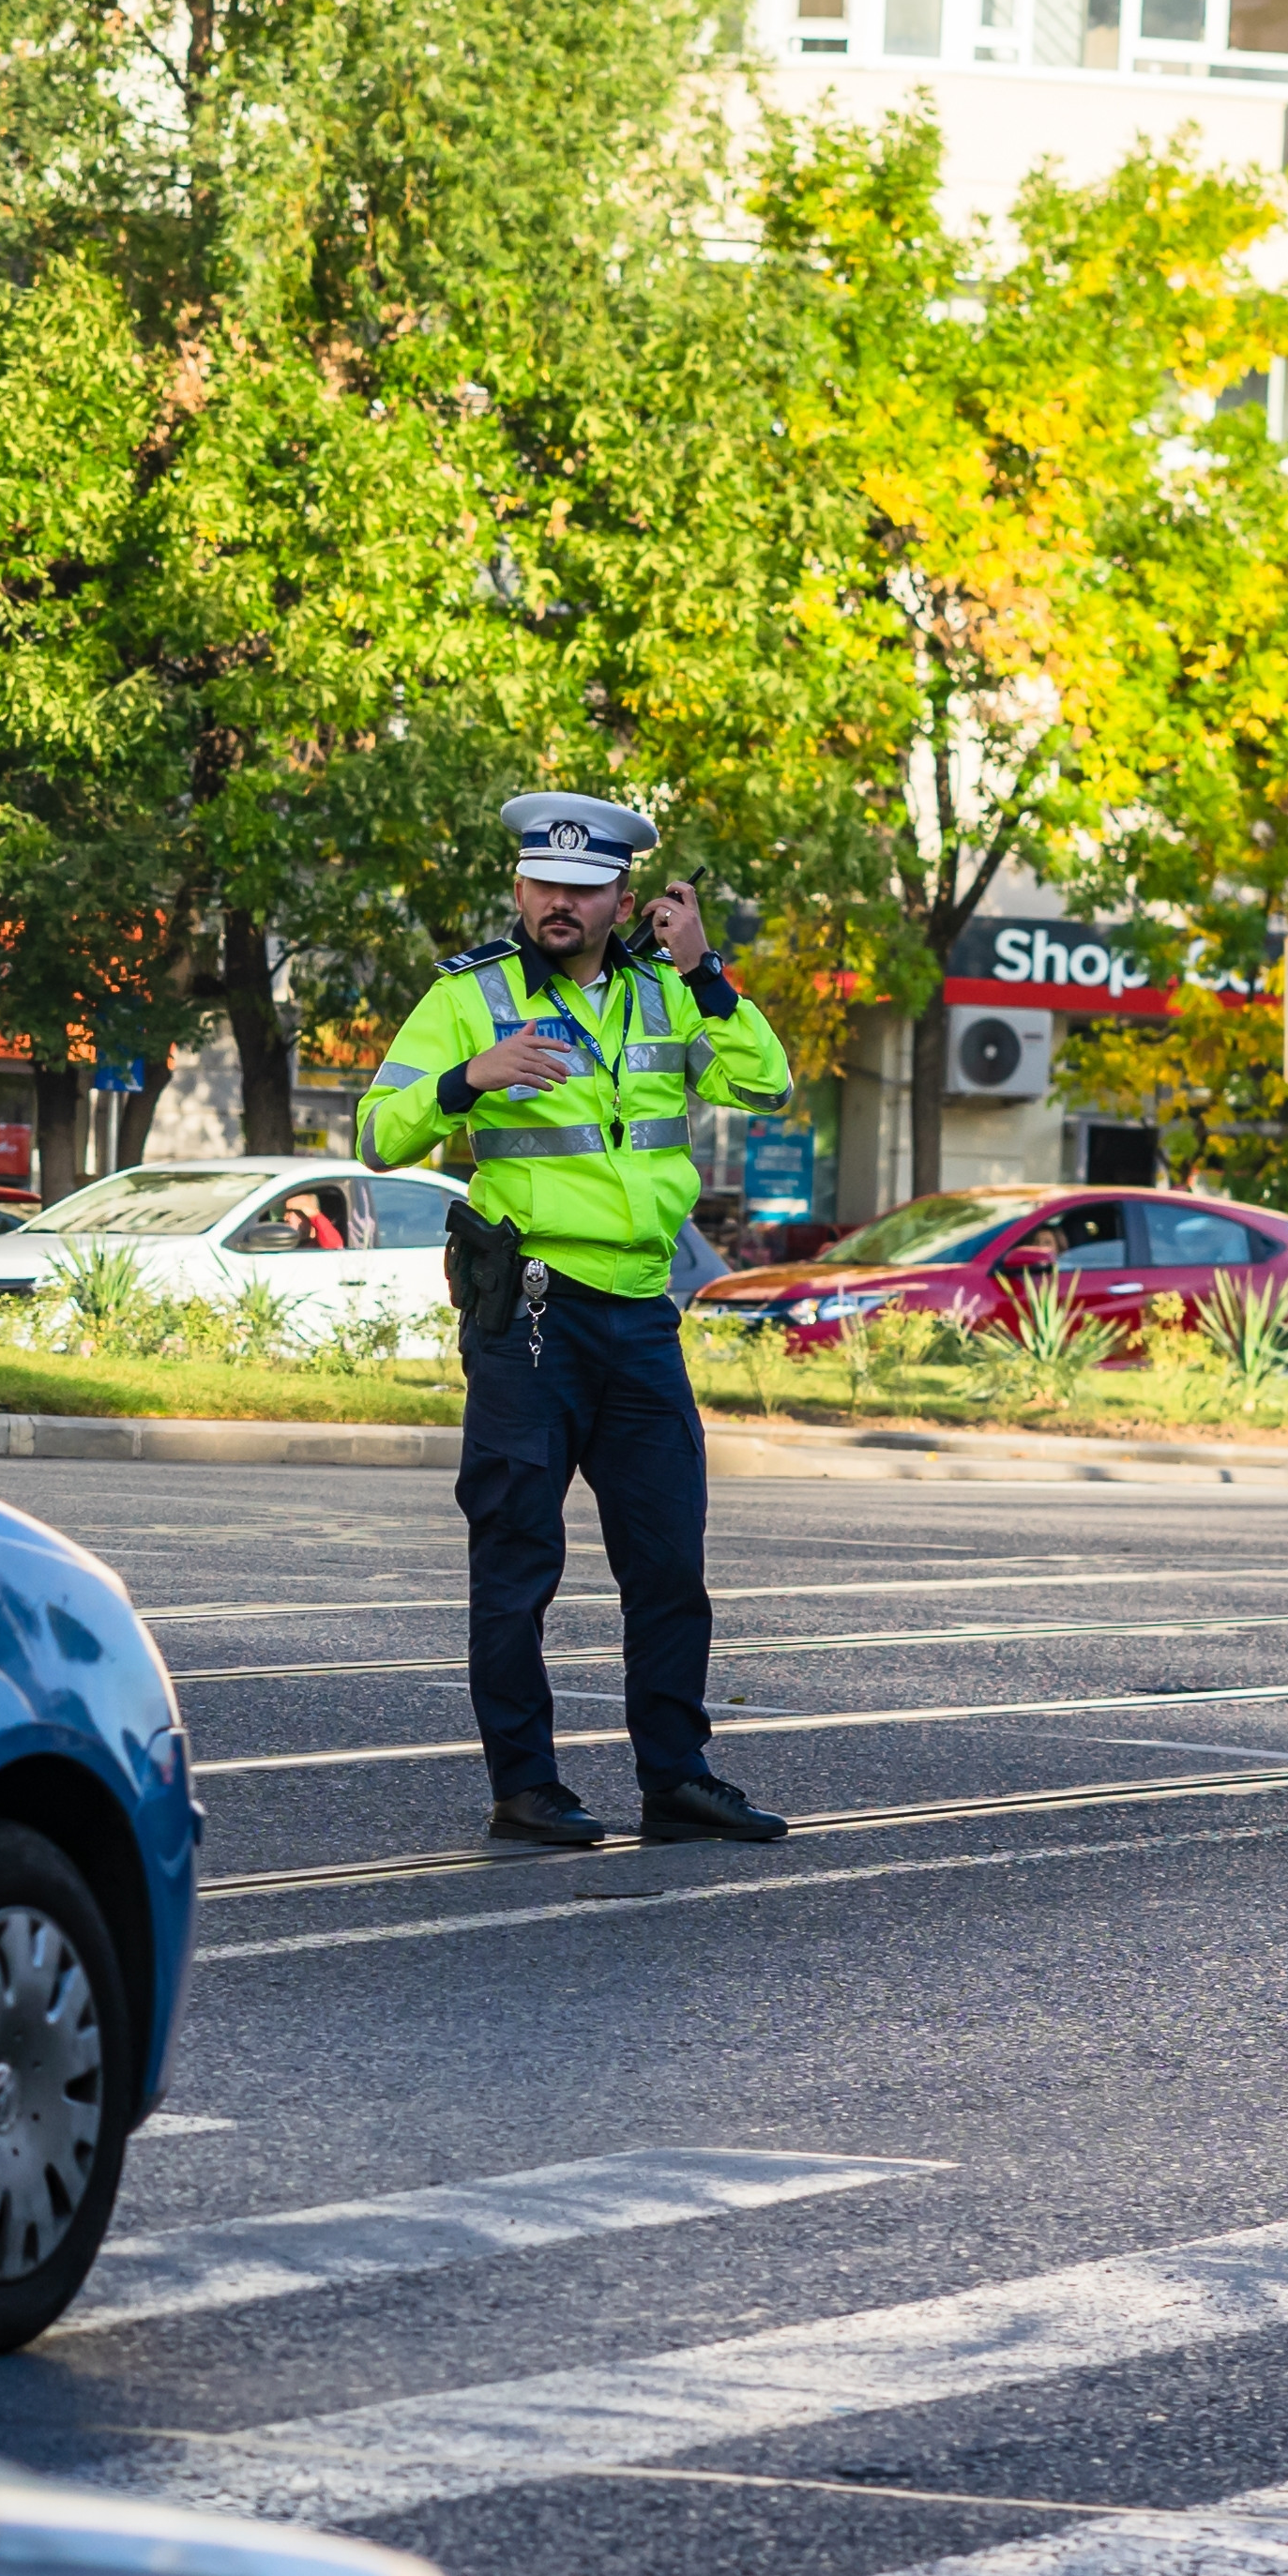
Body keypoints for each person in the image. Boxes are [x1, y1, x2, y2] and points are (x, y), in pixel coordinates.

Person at [356, 792, 796, 1853]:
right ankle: (527, 1786)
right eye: (543, 886)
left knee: (667, 1562)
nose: (560, 903)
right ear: (518, 890)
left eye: (584, 888)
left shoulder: (666, 994)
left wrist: (706, 971)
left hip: (642, 1316)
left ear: (625, 900)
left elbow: (767, 1086)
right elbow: (377, 1130)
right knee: (518, 1558)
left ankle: (676, 1779)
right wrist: (469, 1080)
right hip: (535, 1317)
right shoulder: (470, 996)